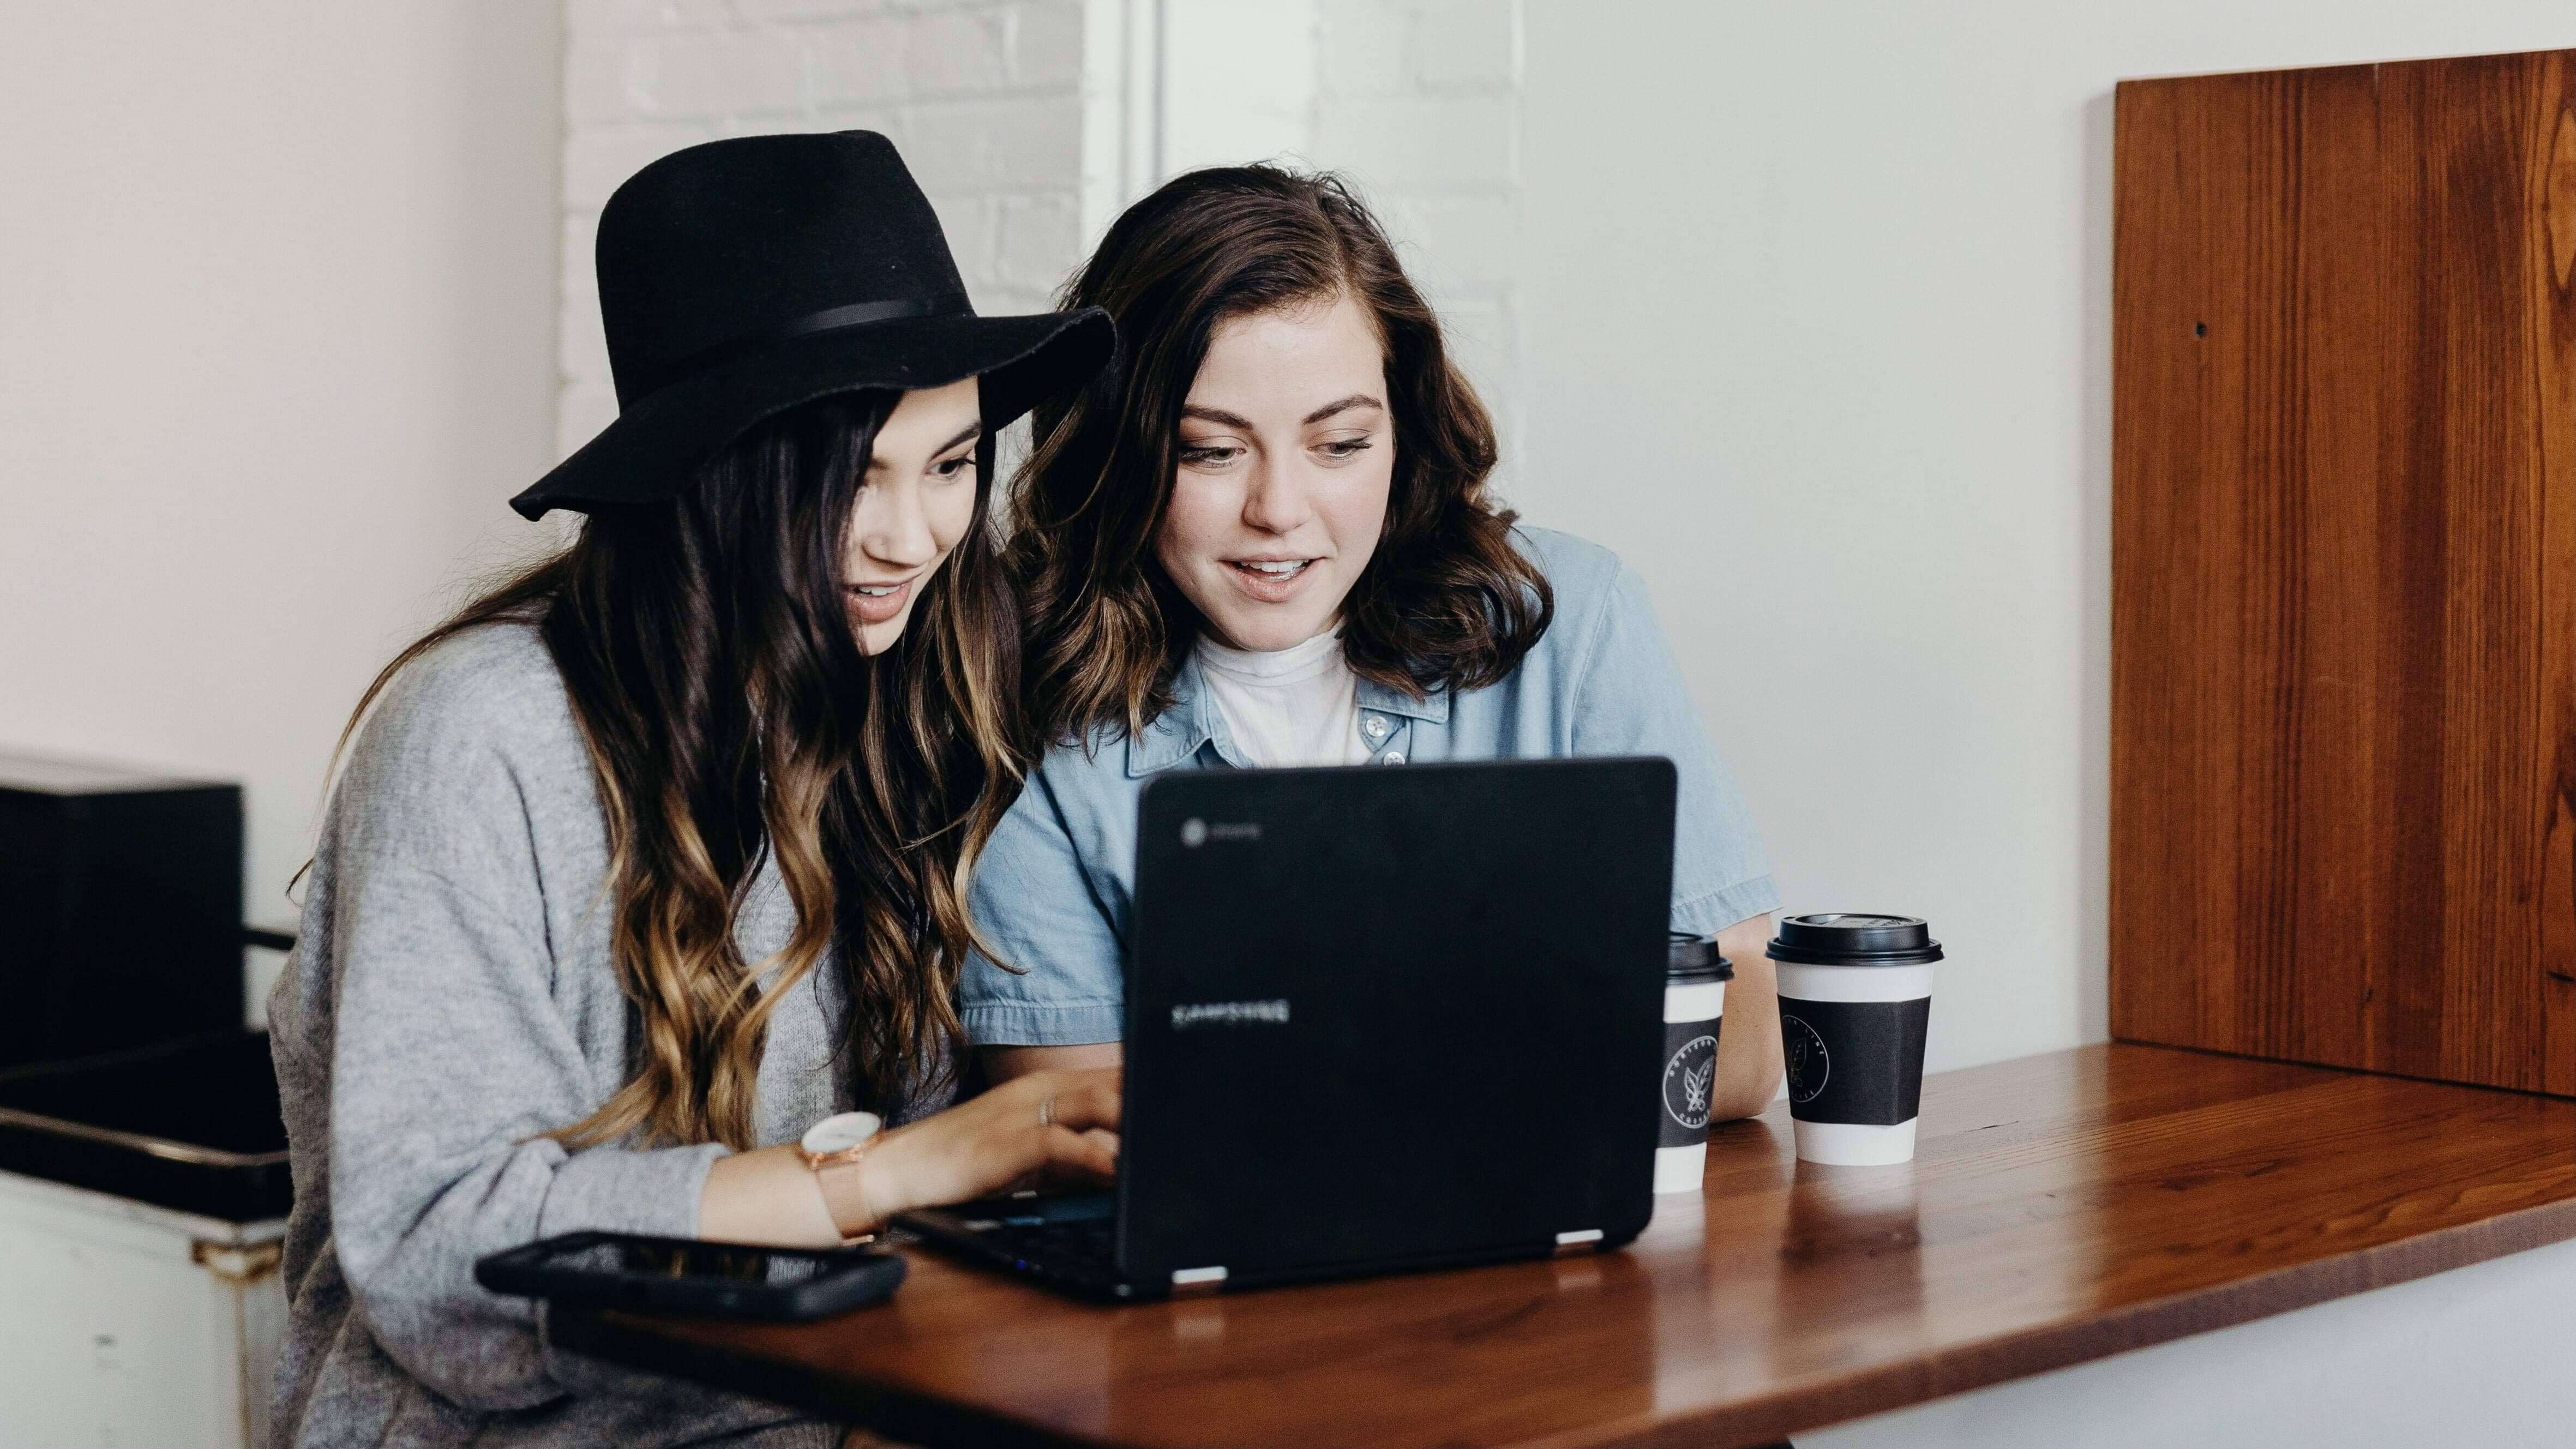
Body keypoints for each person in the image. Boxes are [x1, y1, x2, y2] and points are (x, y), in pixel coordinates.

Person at [265, 132, 1118, 1448]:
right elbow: (446, 1263)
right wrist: (894, 1171)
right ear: (714, 473)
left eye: (950, 465)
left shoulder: (911, 699)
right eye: (850, 479)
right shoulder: (483, 734)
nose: (911, 538)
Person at [964, 165, 1785, 1120]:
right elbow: (1070, 1125)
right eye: (1210, 451)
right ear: (1119, 451)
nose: (1278, 511)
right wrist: (1518, 1036)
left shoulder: (1569, 620)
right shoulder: (1025, 702)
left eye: (1340, 444)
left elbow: (1743, 1045)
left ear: (1403, 431)